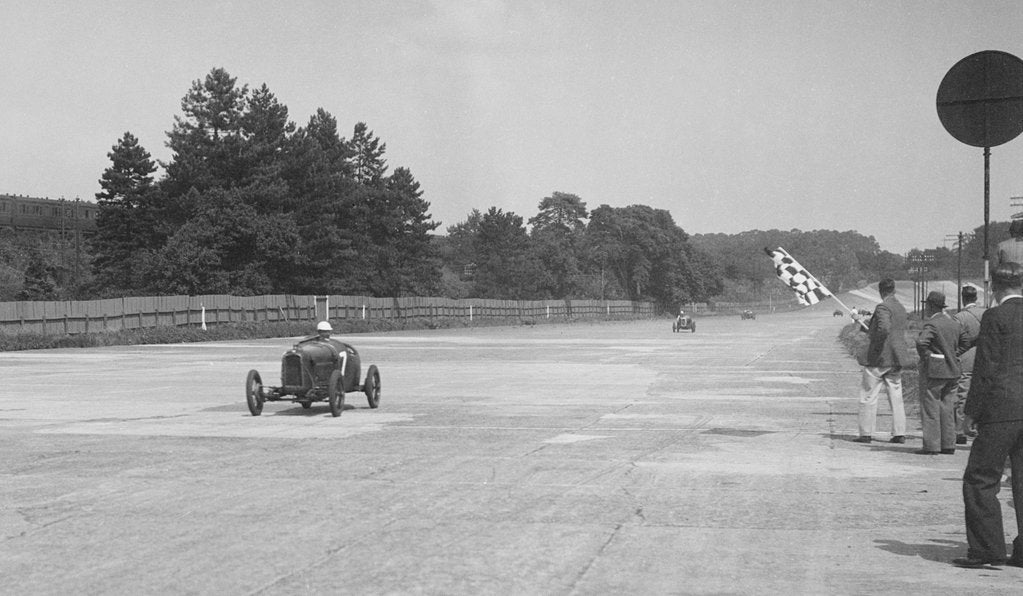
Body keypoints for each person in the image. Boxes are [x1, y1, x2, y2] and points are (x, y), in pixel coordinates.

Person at [956, 262, 1023, 568]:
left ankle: (987, 549)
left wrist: (971, 412)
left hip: (1001, 408)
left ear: (995, 287)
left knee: (981, 477)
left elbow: (986, 369)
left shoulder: (994, 316)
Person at [851, 278, 909, 444]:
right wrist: (861, 322)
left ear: (880, 291)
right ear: (894, 290)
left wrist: (873, 340)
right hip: (896, 357)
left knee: (868, 395)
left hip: (880, 357)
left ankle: (866, 433)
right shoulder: (900, 307)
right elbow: (884, 327)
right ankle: (899, 433)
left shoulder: (883, 306)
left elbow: (883, 329)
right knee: (896, 396)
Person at [915, 291, 962, 455]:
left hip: (935, 371)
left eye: (926, 305)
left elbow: (922, 342)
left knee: (930, 407)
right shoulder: (954, 323)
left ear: (930, 306)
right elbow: (964, 342)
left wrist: (928, 357)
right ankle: (948, 444)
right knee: (948, 408)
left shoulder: (932, 324)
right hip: (954, 371)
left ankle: (932, 445)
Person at [953, 285, 985, 444]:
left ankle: (960, 431)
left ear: (962, 297)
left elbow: (955, 340)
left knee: (963, 393)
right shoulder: (986, 313)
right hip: (986, 356)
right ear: (976, 298)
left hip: (966, 358)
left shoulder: (960, 317)